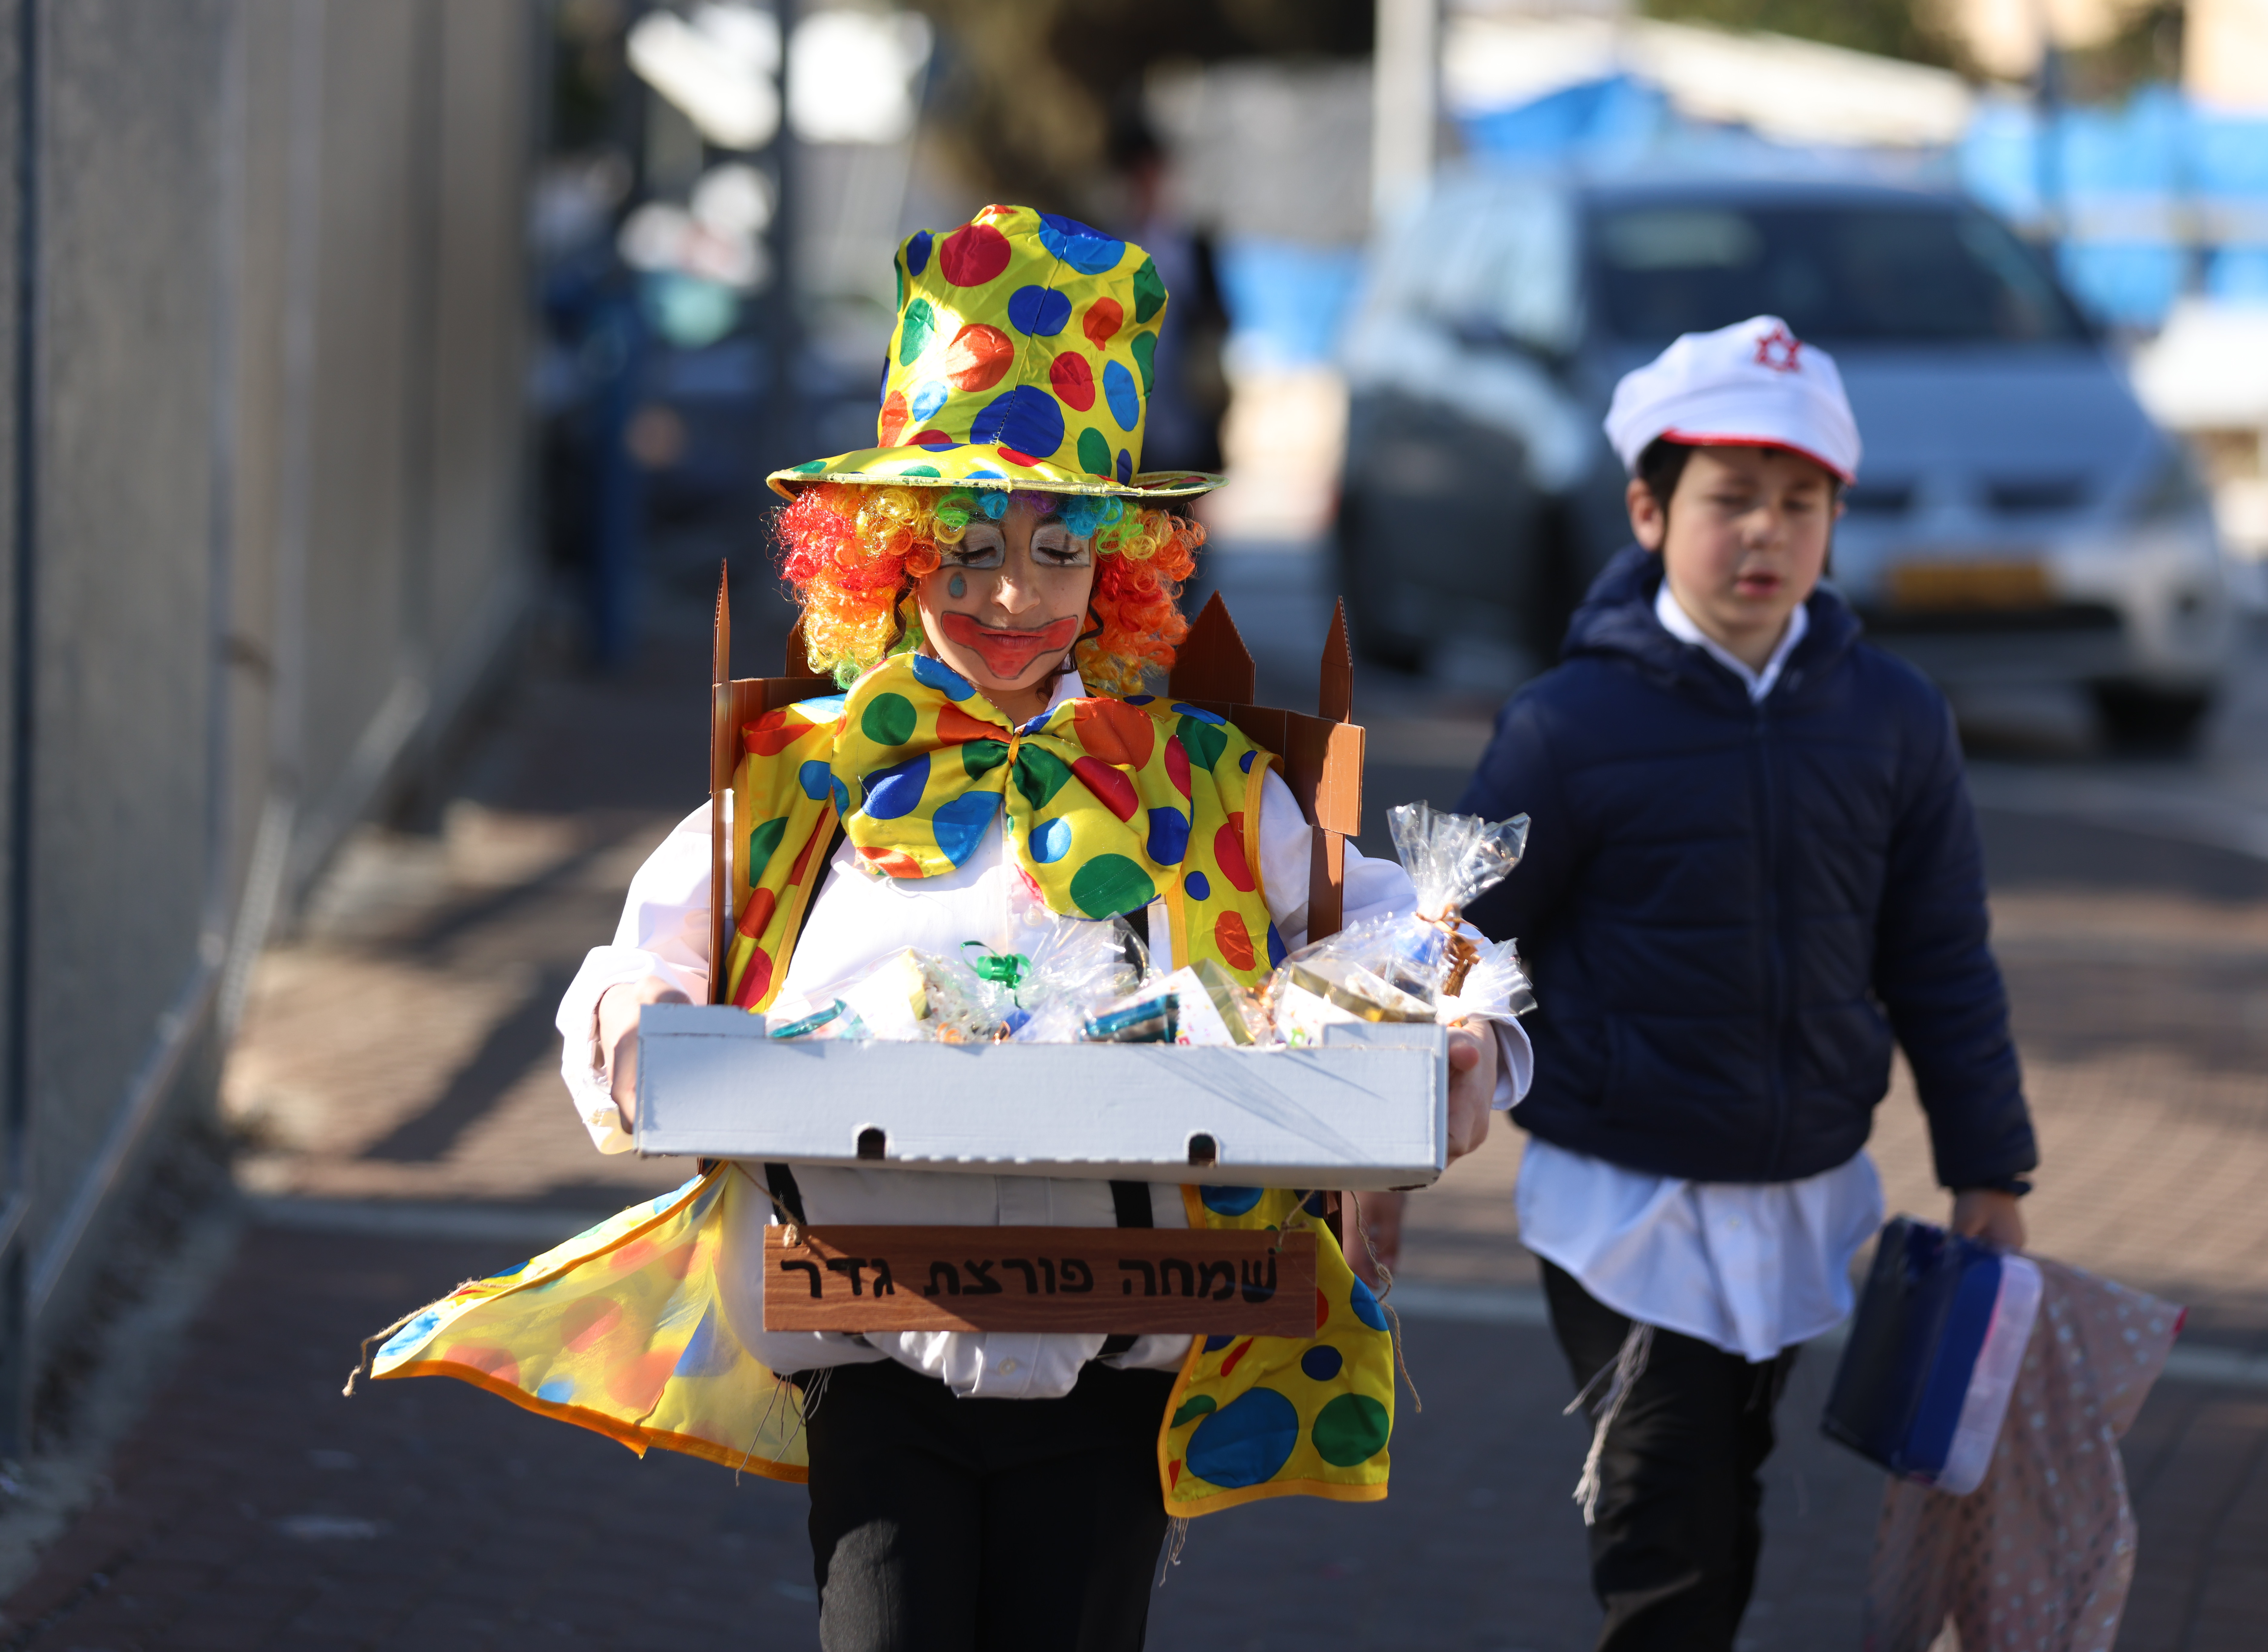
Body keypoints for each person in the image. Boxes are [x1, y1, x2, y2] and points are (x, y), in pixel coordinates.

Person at [366, 204, 1530, 1652]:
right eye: (967, 544)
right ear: (889, 555)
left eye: (1058, 550)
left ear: (1118, 571)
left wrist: (1458, 1037)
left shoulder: (1206, 787)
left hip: (1122, 1358)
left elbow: (1389, 946)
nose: (1008, 593)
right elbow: (645, 956)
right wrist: (639, 1028)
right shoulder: (802, 774)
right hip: (871, 1341)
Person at [1453, 315, 2040, 1650]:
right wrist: (1402, 1111)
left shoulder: (1892, 715)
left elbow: (1939, 956)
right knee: (1660, 1531)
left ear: (1836, 516)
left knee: (1727, 1518)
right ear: (1648, 512)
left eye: (1799, 502)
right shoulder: (1569, 724)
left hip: (1799, 1196)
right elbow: (1458, 932)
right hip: (1622, 1204)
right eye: (1729, 500)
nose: (1765, 533)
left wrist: (1988, 1172)